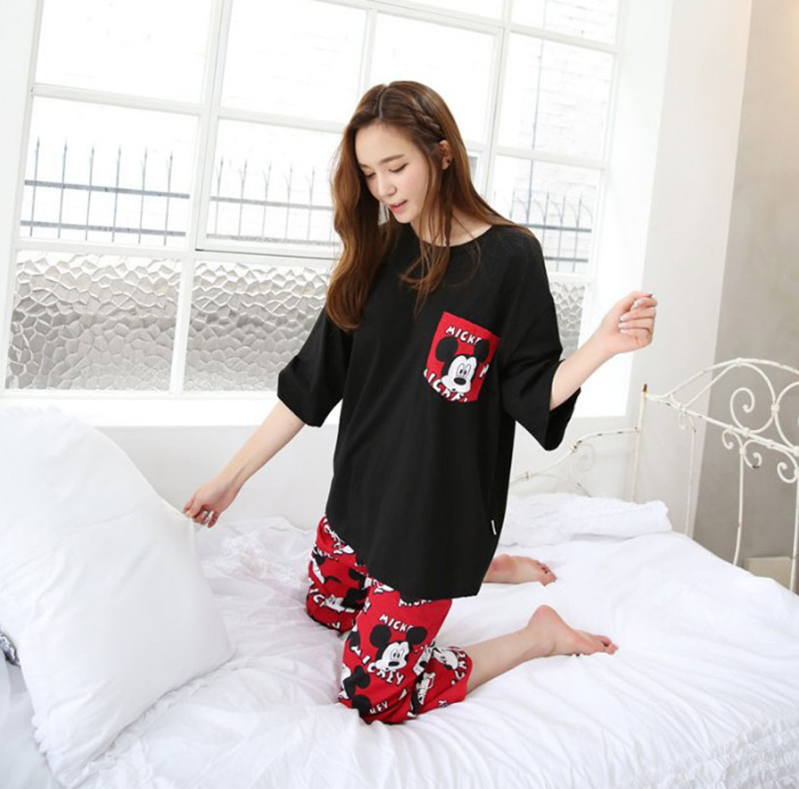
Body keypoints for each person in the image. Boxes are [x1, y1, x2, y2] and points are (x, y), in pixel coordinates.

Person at [183, 81, 657, 725]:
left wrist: (600, 346)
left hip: (434, 521)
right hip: (361, 498)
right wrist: (230, 479)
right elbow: (311, 383)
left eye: (396, 166)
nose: (383, 188)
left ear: (441, 153)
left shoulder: (510, 258)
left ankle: (536, 635)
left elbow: (529, 390)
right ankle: (488, 568)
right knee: (326, 610)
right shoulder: (376, 253)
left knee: (373, 697)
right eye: (369, 173)